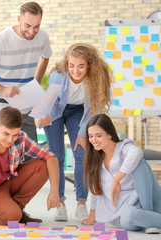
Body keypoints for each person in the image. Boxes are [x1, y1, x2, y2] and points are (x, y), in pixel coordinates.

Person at [81, 114, 161, 234]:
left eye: (98, 135)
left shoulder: (124, 147)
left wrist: (117, 179)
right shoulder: (94, 160)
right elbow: (96, 192)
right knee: (129, 215)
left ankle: (148, 212)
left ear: (109, 134)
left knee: (138, 161)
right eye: (91, 136)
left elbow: (136, 153)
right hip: (128, 214)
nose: (94, 140)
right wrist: (92, 216)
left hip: (152, 199)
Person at [39, 43, 111, 222]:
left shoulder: (97, 77)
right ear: (67, 64)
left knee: (81, 154)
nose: (75, 71)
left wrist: (82, 133)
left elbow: (93, 107)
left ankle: (81, 203)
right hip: (55, 110)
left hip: (80, 111)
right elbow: (49, 99)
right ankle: (60, 203)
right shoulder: (58, 74)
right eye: (71, 66)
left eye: (80, 66)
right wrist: (44, 113)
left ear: (89, 64)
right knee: (56, 156)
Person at [0, 106, 60, 225]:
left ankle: (17, 209)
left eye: (15, 134)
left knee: (42, 165)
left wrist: (55, 191)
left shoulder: (21, 137)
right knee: (13, 217)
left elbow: (51, 157)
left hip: (8, 182)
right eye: (6, 133)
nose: (10, 139)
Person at [0, 1, 52, 142]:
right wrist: (3, 90)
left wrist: (36, 84)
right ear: (19, 19)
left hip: (24, 104)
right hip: (0, 105)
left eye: (36, 27)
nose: (31, 31)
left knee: (30, 153)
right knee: (1, 154)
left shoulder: (42, 37)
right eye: (27, 26)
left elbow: (45, 57)